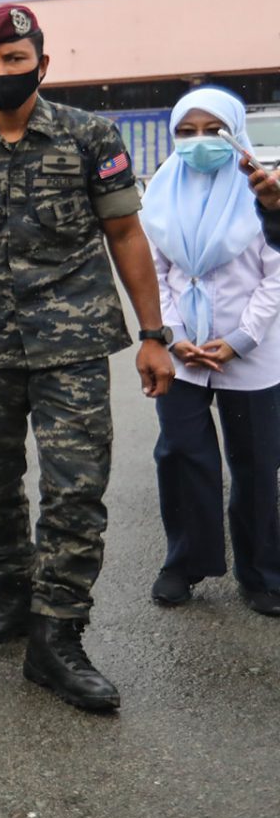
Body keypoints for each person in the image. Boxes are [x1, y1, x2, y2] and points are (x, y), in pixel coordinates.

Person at [0, 2, 173, 714]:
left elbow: (126, 233)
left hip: (72, 346)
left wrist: (153, 333)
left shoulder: (90, 136)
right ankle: (12, 592)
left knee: (76, 490)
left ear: (41, 65)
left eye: (13, 61)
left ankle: (59, 634)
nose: (0, 73)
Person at [141, 88, 280, 616]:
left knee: (255, 465)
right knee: (182, 457)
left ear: (234, 132)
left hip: (252, 353)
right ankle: (184, 563)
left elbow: (276, 277)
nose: (198, 142)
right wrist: (172, 334)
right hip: (181, 353)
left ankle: (263, 571)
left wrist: (240, 339)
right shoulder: (161, 189)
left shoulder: (262, 189)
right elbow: (152, 272)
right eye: (186, 131)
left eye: (212, 130)